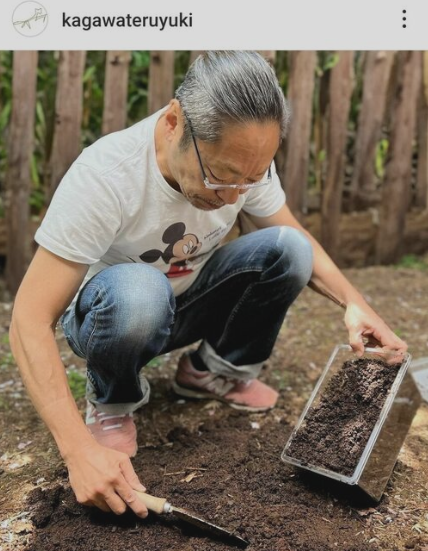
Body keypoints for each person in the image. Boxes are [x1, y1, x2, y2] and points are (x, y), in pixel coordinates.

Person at [10, 51, 406, 519]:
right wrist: (77, 451)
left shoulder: (244, 158)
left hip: (185, 301)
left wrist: (355, 304)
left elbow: (290, 232)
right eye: (221, 176)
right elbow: (28, 320)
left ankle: (214, 371)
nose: (234, 195)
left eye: (251, 179)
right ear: (175, 121)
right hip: (114, 315)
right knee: (140, 291)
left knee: (288, 248)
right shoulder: (106, 177)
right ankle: (112, 399)